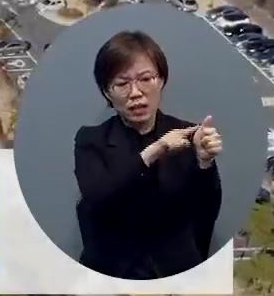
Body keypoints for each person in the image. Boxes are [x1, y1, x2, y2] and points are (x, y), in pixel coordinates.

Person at [73, 30, 224, 279]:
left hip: (176, 271)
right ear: (107, 92)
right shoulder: (91, 140)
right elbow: (99, 197)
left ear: (161, 80)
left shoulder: (188, 135)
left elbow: (206, 211)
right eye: (122, 84)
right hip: (113, 272)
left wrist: (205, 162)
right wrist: (153, 152)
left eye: (146, 79)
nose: (135, 92)